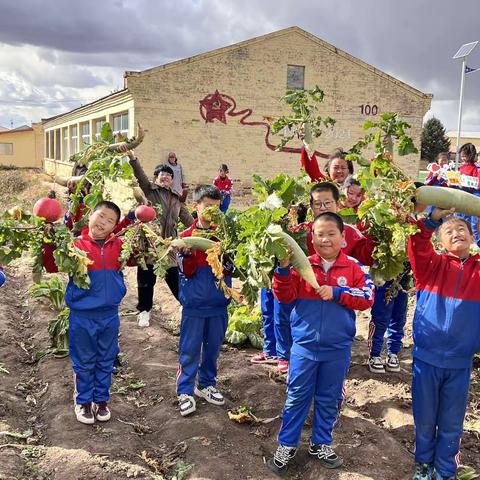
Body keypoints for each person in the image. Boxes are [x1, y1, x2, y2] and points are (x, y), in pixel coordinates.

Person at [267, 212, 374, 476]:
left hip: (337, 349)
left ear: (343, 238)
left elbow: (367, 296)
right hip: (304, 347)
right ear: (311, 238)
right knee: (296, 397)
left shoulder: (354, 267)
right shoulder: (301, 266)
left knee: (329, 398)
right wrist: (282, 269)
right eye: (319, 234)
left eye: (331, 234)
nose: (325, 239)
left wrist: (337, 293)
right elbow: (284, 295)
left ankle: (321, 443)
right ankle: (287, 445)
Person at [42, 201, 133, 425]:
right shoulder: (75, 246)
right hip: (82, 316)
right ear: (90, 215)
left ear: (115, 226)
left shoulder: (120, 246)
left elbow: (140, 256)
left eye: (110, 220)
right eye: (101, 216)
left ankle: (101, 400)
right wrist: (49, 242)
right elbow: (52, 266)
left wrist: (136, 223)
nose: (103, 222)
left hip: (109, 314)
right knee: (84, 361)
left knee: (106, 358)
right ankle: (83, 401)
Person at [408, 208, 480, 480]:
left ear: (473, 237)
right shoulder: (431, 267)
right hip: (427, 359)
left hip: (460, 363)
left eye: (462, 229)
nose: (456, 232)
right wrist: (429, 222)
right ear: (440, 243)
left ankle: (446, 470)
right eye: (449, 231)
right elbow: (417, 244)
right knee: (425, 419)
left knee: (452, 422)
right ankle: (423, 465)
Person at [176, 185, 233, 417]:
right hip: (195, 305)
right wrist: (188, 254)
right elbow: (185, 271)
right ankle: (185, 391)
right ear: (196, 207)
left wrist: (228, 257)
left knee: (212, 349)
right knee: (189, 350)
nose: (211, 211)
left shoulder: (225, 237)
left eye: (216, 208)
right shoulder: (185, 238)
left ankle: (206, 385)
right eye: (207, 206)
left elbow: (232, 269)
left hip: (218, 304)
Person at [124, 148, 194, 327]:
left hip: (169, 247)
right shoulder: (149, 191)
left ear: (172, 180)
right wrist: (133, 158)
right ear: (156, 178)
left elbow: (188, 220)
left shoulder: (177, 199)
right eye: (162, 174)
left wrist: (202, 232)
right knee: (146, 281)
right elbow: (139, 175)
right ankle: (144, 311)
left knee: (175, 278)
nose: (165, 177)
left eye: (168, 175)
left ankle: (187, 306)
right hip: (149, 244)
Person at [367, 186, 427, 374]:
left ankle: (393, 352)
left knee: (399, 318)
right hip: (385, 276)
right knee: (381, 316)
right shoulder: (390, 220)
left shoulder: (418, 223)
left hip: (404, 278)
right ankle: (375, 354)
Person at [458, 143, 480, 245]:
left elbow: (477, 183)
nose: (463, 158)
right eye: (461, 156)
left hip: (474, 196)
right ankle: (467, 242)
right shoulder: (462, 167)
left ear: (470, 155)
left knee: (474, 223)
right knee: (463, 220)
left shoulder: (476, 168)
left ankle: (476, 243)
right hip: (463, 196)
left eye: (464, 156)